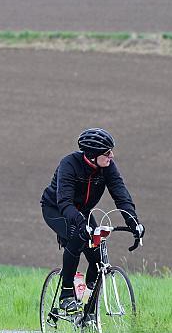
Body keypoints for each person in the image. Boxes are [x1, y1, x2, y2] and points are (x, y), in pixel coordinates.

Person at [40, 128, 145, 314]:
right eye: (107, 152)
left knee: (98, 257)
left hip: (83, 211)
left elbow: (121, 196)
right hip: (56, 208)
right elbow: (64, 202)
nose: (112, 155)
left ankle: (88, 305)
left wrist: (133, 222)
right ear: (93, 155)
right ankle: (66, 295)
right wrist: (81, 225)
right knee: (77, 237)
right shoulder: (69, 164)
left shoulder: (108, 167)